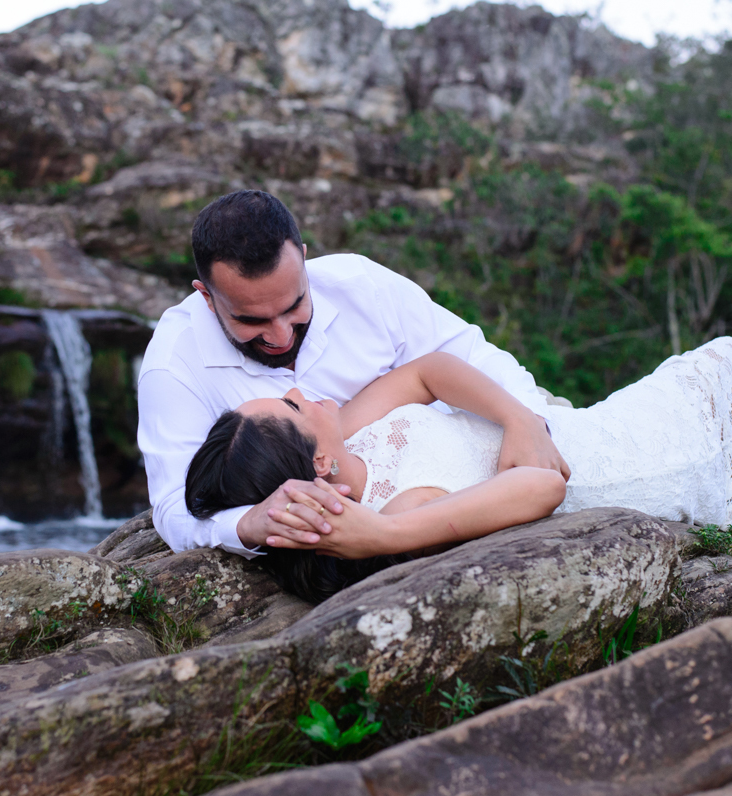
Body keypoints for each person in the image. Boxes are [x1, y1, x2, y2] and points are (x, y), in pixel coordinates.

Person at [185, 338, 732, 602]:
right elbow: (543, 486)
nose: (300, 389)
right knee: (725, 382)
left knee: (723, 362)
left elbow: (428, 369)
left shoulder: (349, 427)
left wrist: (517, 418)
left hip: (576, 425)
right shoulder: (402, 511)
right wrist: (382, 536)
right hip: (636, 464)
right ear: (319, 466)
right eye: (292, 405)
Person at [137, 190, 568, 559]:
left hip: (503, 420)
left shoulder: (361, 284)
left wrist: (526, 419)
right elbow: (177, 506)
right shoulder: (174, 365)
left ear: (304, 263)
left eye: (293, 306)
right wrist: (252, 523)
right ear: (207, 298)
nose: (280, 335)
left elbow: (466, 355)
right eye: (252, 320)